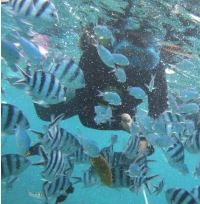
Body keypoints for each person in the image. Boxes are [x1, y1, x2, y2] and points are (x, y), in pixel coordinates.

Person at [33, 22, 168, 132]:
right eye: (127, 53)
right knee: (46, 113)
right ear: (114, 45)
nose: (132, 65)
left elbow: (158, 114)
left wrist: (143, 138)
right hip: (89, 99)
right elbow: (86, 115)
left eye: (145, 59)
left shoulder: (156, 71)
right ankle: (36, 64)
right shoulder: (96, 54)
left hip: (118, 111)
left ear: (155, 57)